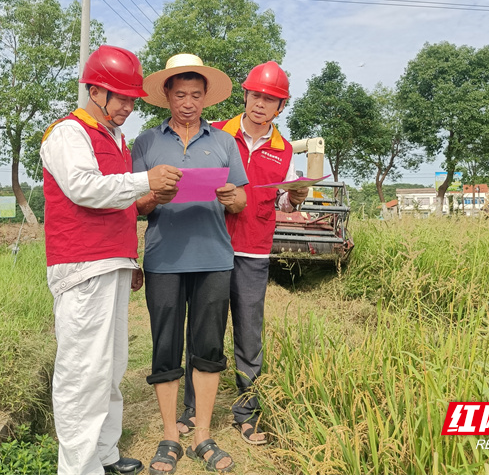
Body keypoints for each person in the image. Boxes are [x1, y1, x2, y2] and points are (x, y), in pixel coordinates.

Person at [40, 45, 183, 475]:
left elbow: (115, 201)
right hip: (82, 265)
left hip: (109, 262)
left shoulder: (113, 138)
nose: (127, 106)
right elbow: (84, 188)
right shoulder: (68, 134)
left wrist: (145, 202)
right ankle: (79, 468)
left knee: (110, 367)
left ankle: (104, 452)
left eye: (131, 100)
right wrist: (144, 179)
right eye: (119, 97)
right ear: (94, 91)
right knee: (83, 372)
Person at [177, 61, 308, 446]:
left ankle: (246, 413)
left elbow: (281, 199)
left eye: (271, 99)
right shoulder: (216, 133)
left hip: (254, 251)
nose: (261, 104)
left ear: (281, 107)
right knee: (204, 330)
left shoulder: (284, 150)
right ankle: (191, 409)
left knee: (249, 335)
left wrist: (294, 196)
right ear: (245, 96)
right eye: (256, 95)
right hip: (211, 247)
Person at [132, 54, 248, 475]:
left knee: (209, 346)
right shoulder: (145, 142)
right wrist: (153, 197)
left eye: (196, 95)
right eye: (180, 94)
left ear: (206, 99)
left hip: (214, 257)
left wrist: (232, 197)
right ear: (166, 95)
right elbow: (135, 203)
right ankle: (169, 434)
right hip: (164, 258)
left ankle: (201, 433)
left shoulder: (223, 142)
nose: (188, 103)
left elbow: (241, 199)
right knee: (165, 344)